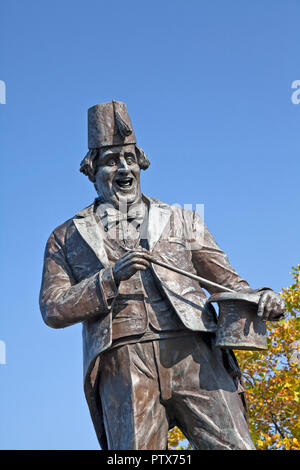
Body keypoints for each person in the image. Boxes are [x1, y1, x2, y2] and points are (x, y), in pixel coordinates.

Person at [39, 100, 285, 450]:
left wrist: (262, 296)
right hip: (124, 362)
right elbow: (52, 308)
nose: (124, 169)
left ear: (141, 165)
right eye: (111, 161)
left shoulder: (184, 220)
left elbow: (230, 281)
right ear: (92, 172)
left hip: (194, 352)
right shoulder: (65, 236)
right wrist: (109, 278)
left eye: (130, 159)